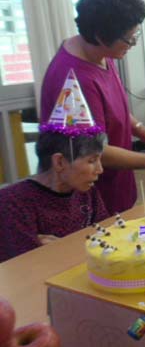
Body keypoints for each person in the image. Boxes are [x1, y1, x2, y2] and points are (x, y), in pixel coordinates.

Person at [40, 0, 145, 215]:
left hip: (116, 185)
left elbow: (115, 110)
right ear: (100, 36)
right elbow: (94, 150)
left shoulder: (100, 53)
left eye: (135, 36)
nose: (133, 44)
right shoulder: (73, 79)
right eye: (129, 39)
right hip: (89, 196)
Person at [1, 71, 109, 263]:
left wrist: (64, 247)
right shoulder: (13, 203)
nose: (100, 170)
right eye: (92, 161)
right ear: (59, 162)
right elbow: (27, 266)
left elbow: (106, 239)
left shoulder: (87, 192)